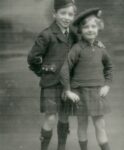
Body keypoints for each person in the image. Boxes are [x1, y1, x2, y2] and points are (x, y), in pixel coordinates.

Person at [27, 0, 79, 150]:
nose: (66, 17)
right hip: (51, 83)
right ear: (54, 14)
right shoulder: (47, 34)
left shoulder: (73, 35)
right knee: (50, 117)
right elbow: (32, 58)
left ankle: (61, 147)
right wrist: (44, 71)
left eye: (70, 14)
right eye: (63, 13)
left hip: (67, 85)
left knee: (64, 117)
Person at [60, 8, 113, 150]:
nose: (90, 30)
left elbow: (109, 67)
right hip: (80, 93)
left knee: (100, 125)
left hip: (97, 93)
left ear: (98, 28)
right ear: (80, 30)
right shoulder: (77, 48)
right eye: (86, 27)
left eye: (93, 26)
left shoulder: (101, 48)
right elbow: (65, 68)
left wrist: (107, 85)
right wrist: (68, 90)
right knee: (82, 124)